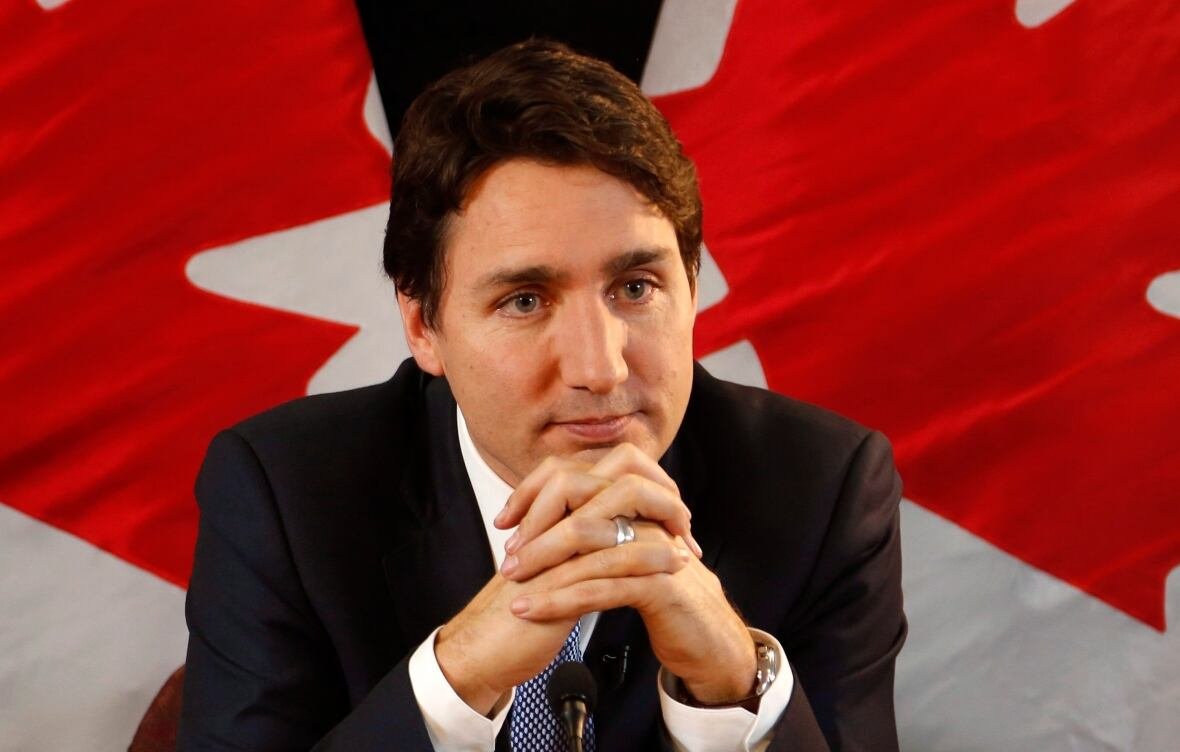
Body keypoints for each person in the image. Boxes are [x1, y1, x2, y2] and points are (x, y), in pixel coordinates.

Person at [178, 40, 905, 752]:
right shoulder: (284, 493)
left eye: (636, 287)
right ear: (423, 325)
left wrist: (733, 686)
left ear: (691, 288)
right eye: (525, 301)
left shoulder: (824, 490)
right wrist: (454, 680)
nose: (601, 369)